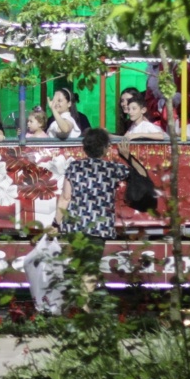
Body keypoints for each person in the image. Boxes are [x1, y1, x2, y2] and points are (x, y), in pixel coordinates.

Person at [54, 129, 132, 309]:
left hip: (74, 224)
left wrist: (55, 223)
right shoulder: (113, 168)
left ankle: (75, 303)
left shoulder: (74, 167)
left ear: (85, 147)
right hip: (99, 226)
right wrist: (126, 156)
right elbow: (136, 173)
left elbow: (65, 197)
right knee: (90, 267)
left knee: (78, 264)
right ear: (105, 148)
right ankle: (83, 305)